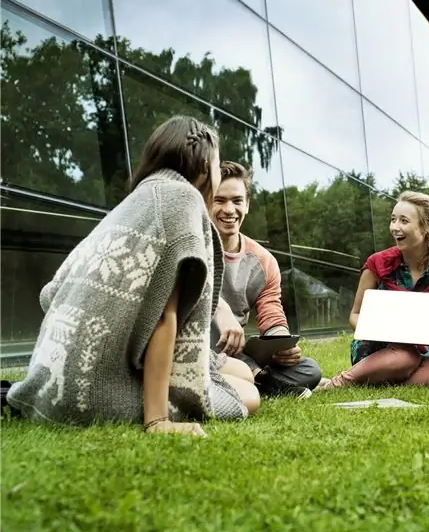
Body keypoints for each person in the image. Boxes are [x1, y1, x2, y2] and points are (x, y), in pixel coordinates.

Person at [5, 116, 260, 436]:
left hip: (53, 381)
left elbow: (51, 292)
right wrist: (158, 421)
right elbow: (164, 316)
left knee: (243, 373)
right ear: (203, 165)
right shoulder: (183, 199)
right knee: (250, 395)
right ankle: (157, 407)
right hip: (96, 389)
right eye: (217, 164)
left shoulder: (135, 202)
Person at [319, 191, 429, 389]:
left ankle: (379, 386)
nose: (394, 227)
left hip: (421, 353)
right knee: (404, 356)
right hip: (376, 348)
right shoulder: (377, 263)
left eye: (403, 221)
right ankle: (338, 383)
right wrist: (381, 331)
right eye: (393, 220)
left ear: (425, 227)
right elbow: (355, 315)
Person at [209, 161, 322, 399]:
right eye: (219, 200)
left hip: (235, 351)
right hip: (199, 346)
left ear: (247, 205)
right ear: (207, 202)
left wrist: (281, 344)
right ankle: (259, 379)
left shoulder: (263, 260)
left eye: (237, 201)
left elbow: (271, 311)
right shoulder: (190, 246)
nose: (229, 209)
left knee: (309, 370)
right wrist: (221, 308)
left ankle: (253, 377)